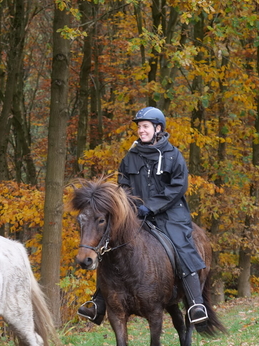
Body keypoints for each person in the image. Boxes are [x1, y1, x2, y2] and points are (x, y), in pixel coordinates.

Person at [78, 106, 209, 328]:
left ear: (158, 128)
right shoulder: (130, 157)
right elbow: (124, 186)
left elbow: (178, 186)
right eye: (139, 127)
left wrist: (153, 206)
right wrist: (130, 207)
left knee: (182, 244)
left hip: (170, 213)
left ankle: (195, 303)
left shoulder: (173, 155)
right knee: (112, 244)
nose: (141, 130)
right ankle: (98, 301)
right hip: (137, 213)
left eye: (145, 126)